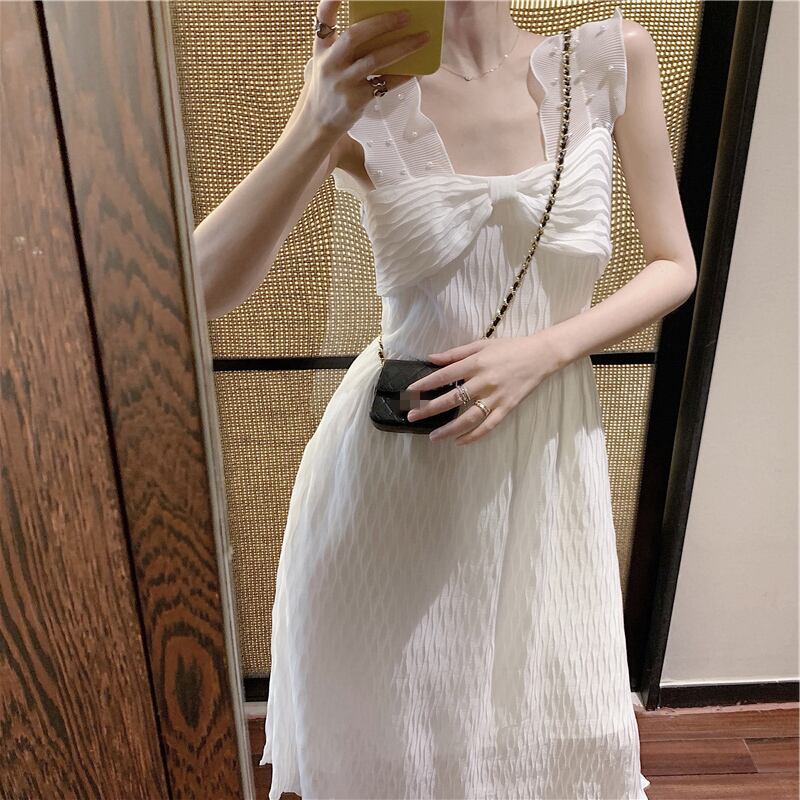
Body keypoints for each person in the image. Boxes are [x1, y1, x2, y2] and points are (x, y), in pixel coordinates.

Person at [196, 2, 696, 797]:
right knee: (398, 741)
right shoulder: (362, 95)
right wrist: (318, 117)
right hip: (395, 477)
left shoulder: (606, 60)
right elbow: (200, 287)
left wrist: (543, 351)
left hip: (544, 469)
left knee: (548, 733)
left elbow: (675, 263)